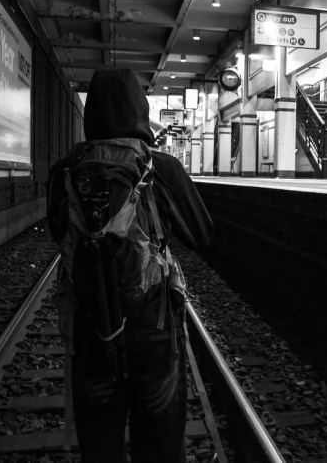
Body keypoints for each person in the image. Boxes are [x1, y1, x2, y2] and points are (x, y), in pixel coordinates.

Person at [47, 68, 213, 463]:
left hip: (93, 327)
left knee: (100, 447)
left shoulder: (64, 171)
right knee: (159, 446)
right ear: (141, 109)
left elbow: (58, 234)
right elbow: (202, 235)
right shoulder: (161, 168)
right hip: (152, 327)